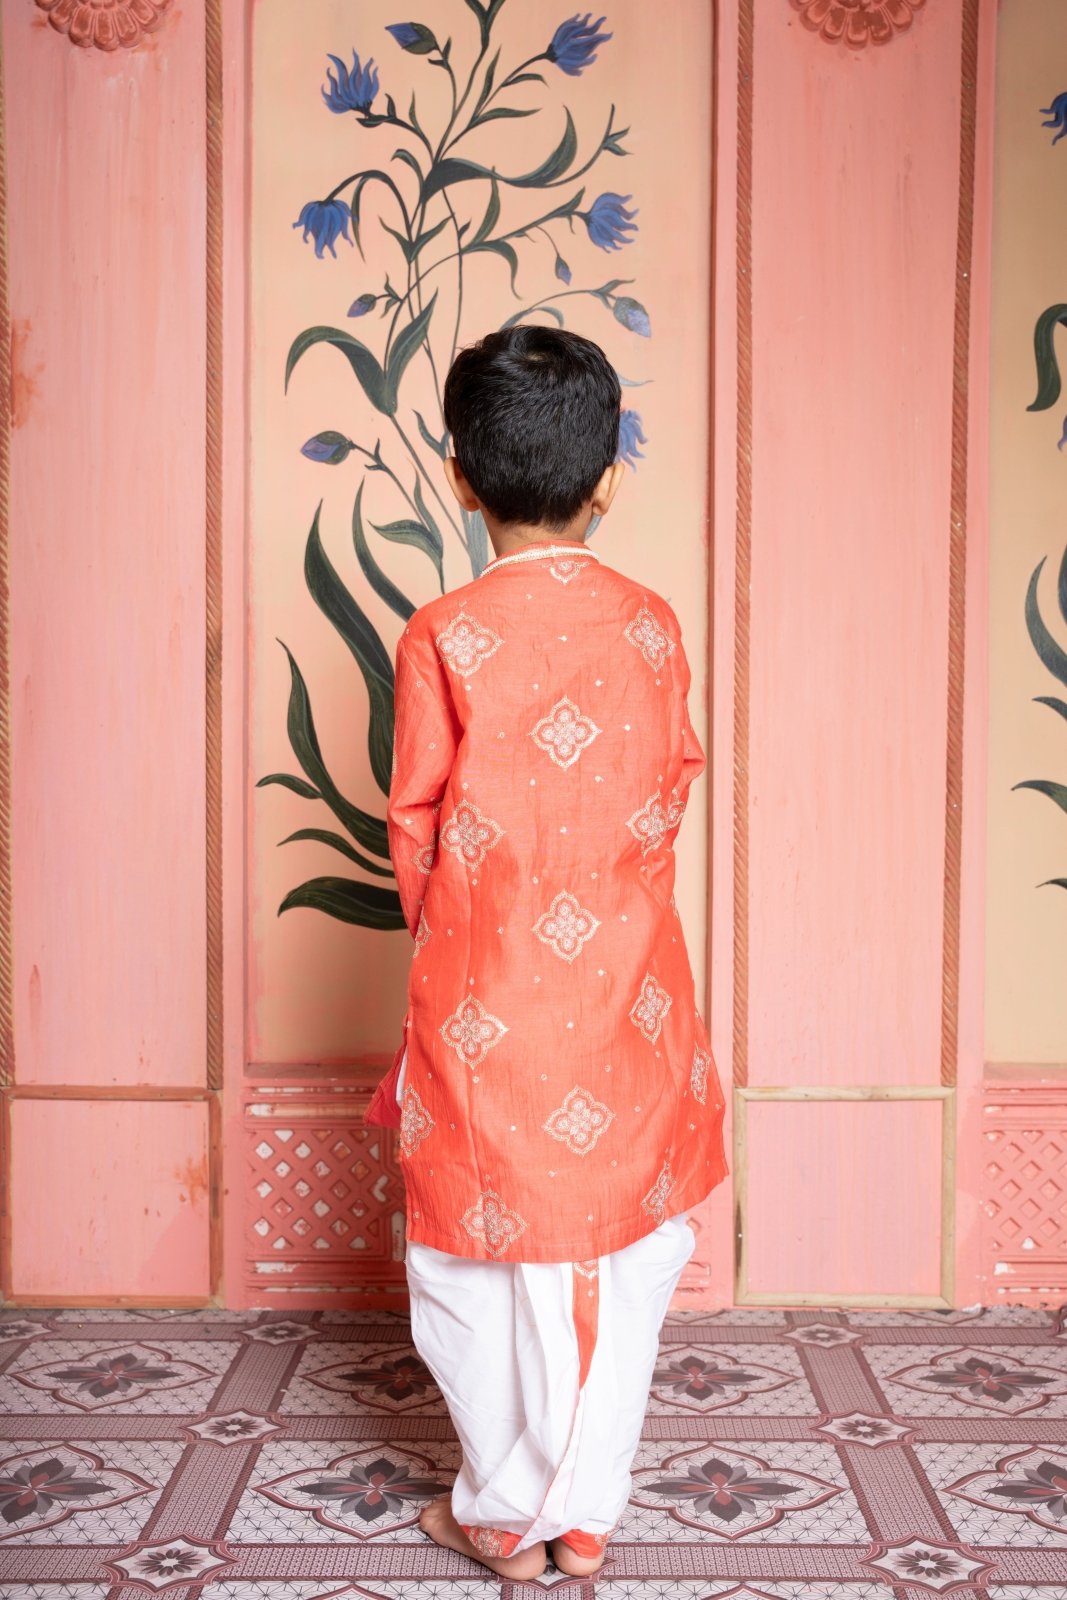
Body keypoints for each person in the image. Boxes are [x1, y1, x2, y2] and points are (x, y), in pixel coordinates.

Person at [381, 325, 729, 1581]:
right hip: (628, 991)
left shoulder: (441, 632)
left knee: (470, 1259)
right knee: (619, 1259)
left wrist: (455, 951)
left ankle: (502, 1508)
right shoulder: (650, 624)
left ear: (459, 478)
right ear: (611, 477)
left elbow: (413, 824)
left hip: (482, 994)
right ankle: (577, 1514)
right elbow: (670, 785)